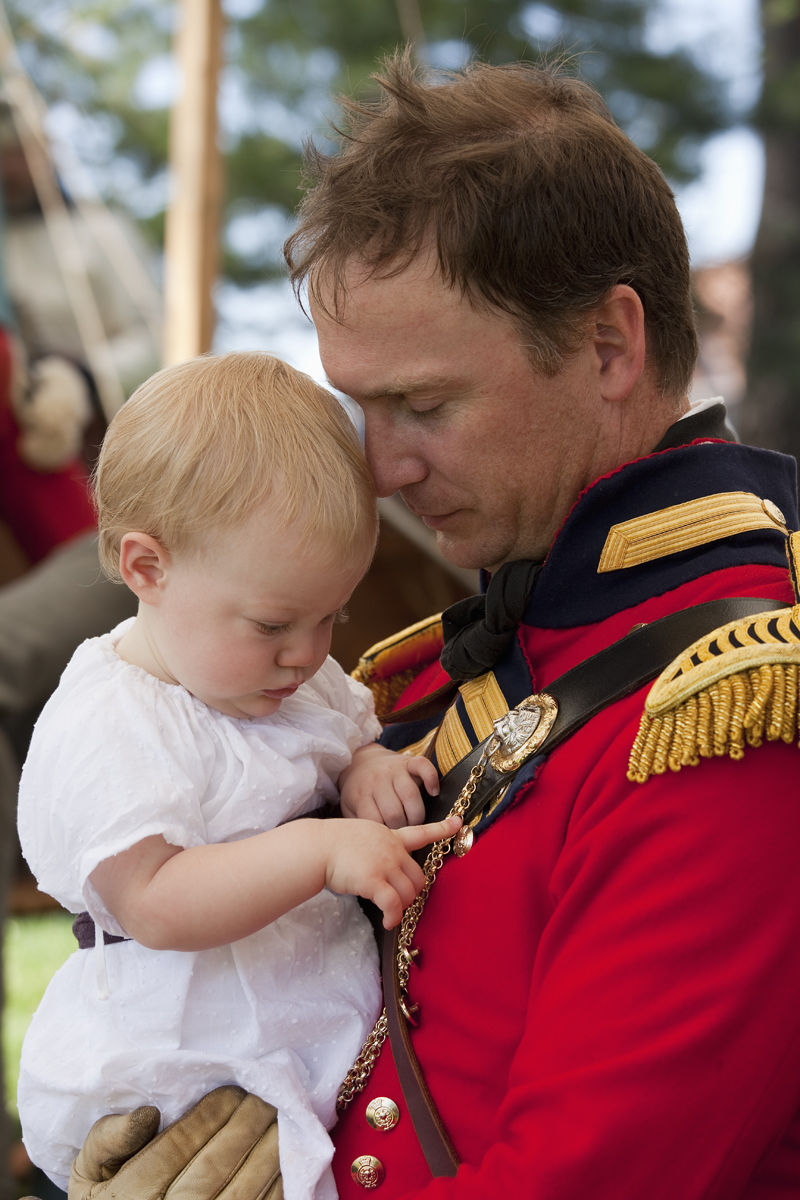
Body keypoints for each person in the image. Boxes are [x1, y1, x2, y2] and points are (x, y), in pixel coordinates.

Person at [59, 51, 800, 1200]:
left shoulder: (725, 713)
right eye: (360, 405)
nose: (383, 466)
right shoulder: (463, 662)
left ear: (608, 345)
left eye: (423, 404)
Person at [15, 350, 459, 1199]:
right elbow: (157, 900)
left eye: (333, 615)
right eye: (274, 622)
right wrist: (321, 853)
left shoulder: (286, 678)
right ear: (148, 568)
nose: (308, 653)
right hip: (187, 1055)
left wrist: (367, 767)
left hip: (303, 1026)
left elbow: (340, 741)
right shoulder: (115, 721)